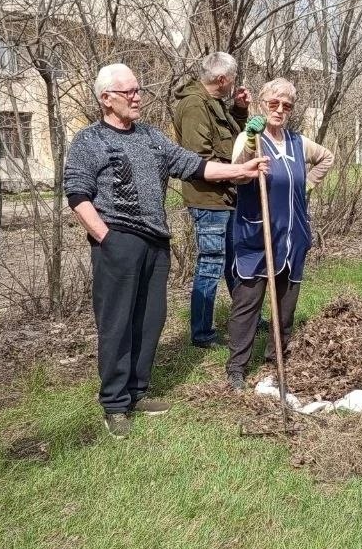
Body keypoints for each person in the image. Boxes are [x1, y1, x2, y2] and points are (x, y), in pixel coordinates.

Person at [64, 63, 268, 439]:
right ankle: (114, 403)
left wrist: (240, 171)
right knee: (117, 324)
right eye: (129, 92)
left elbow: (193, 165)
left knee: (150, 320)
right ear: (106, 99)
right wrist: (106, 238)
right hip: (118, 241)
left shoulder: (150, 137)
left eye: (138, 90)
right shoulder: (88, 140)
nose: (138, 97)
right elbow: (77, 193)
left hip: (156, 241)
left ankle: (138, 392)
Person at [225, 78, 334, 391]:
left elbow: (327, 157)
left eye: (286, 105)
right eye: (274, 103)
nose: (280, 110)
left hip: (292, 235)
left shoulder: (299, 142)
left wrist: (307, 185)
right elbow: (238, 174)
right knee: (247, 304)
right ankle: (237, 368)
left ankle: (277, 359)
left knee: (286, 307)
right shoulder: (250, 138)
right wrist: (249, 141)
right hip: (257, 234)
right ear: (263, 104)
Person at [171, 52, 250, 348]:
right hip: (209, 199)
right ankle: (202, 333)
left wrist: (239, 110)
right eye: (232, 78)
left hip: (226, 196)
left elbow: (230, 140)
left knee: (234, 263)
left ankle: (245, 317)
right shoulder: (193, 105)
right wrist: (240, 173)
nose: (233, 83)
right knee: (211, 264)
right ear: (221, 79)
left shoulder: (214, 102)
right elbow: (198, 159)